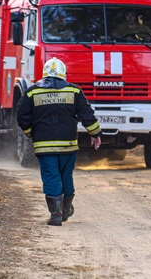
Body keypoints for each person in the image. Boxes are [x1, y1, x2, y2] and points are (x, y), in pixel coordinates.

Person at [17, 57, 102, 226]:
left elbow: (22, 116)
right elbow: (87, 114)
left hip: (44, 146)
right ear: (64, 74)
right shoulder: (74, 91)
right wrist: (95, 134)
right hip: (68, 145)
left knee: (51, 176)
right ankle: (66, 208)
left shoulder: (32, 92)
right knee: (66, 176)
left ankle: (56, 214)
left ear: (44, 73)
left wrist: (30, 133)